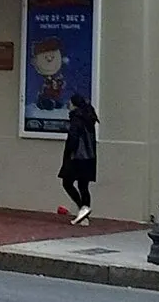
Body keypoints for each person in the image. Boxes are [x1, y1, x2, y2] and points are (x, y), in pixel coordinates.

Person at [59, 93, 98, 225]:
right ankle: (84, 214)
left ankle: (82, 208)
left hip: (76, 157)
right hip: (89, 157)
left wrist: (69, 152)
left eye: (70, 103)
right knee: (83, 186)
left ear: (74, 104)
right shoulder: (89, 118)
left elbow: (73, 138)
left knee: (67, 183)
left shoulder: (76, 119)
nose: (68, 105)